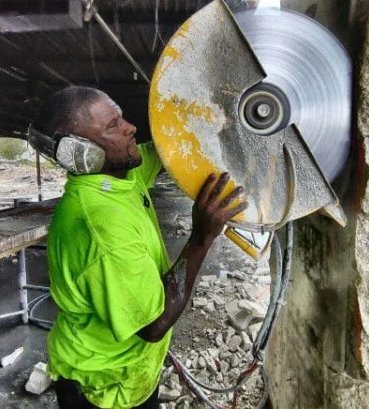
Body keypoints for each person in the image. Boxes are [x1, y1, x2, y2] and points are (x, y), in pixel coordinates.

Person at [33, 86, 247, 409]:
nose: (130, 127)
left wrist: (217, 118)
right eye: (112, 126)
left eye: (120, 117)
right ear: (82, 153)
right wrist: (202, 237)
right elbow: (155, 324)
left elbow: (163, 153)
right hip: (104, 389)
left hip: (131, 375)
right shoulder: (102, 228)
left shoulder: (120, 175)